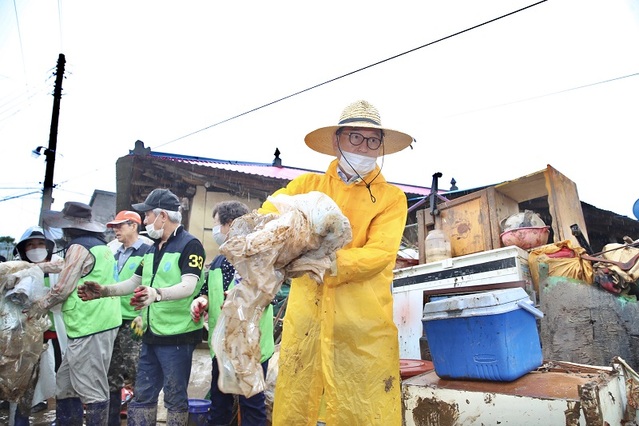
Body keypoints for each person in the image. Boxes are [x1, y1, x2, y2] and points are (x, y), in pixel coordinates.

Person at [257, 100, 414, 425]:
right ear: (337, 141)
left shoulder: (391, 199)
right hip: (307, 329)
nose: (364, 147)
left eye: (373, 140)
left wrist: (319, 263)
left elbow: (378, 255)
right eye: (355, 137)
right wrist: (257, 237)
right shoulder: (305, 188)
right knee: (302, 410)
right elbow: (267, 219)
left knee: (362, 413)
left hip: (360, 332)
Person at [77, 188, 206, 425]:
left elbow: (189, 286)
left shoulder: (190, 245)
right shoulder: (152, 249)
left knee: (175, 397)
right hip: (149, 335)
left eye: (147, 215)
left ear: (162, 217)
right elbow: (134, 282)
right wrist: (104, 291)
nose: (144, 221)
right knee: (143, 394)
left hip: (177, 336)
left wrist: (156, 294)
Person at [28, 202, 121, 426]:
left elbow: (62, 288)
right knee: (65, 384)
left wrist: (36, 307)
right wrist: (37, 267)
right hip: (98, 322)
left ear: (69, 226)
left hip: (91, 325)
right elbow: (66, 266)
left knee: (92, 388)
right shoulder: (101, 246)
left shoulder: (79, 247)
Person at [191, 201, 274, 426]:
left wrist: (242, 298)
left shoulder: (258, 256)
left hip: (251, 347)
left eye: (217, 224)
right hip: (223, 347)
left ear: (229, 224)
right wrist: (201, 301)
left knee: (252, 407)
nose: (215, 230)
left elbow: (268, 294)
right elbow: (208, 291)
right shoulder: (219, 260)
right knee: (219, 404)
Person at [11, 226, 67, 425]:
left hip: (57, 336)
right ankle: (20, 420)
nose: (36, 248)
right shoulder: (16, 271)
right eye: (31, 245)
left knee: (63, 381)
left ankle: (63, 419)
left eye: (40, 244)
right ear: (23, 250)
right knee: (24, 384)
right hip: (28, 338)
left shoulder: (60, 268)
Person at [104, 211, 153, 425]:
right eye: (114, 226)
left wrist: (142, 315)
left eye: (120, 226)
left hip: (135, 321)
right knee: (111, 373)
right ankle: (112, 420)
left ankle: (137, 418)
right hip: (113, 319)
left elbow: (149, 283)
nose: (115, 230)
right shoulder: (112, 253)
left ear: (133, 226)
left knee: (136, 371)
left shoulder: (148, 252)